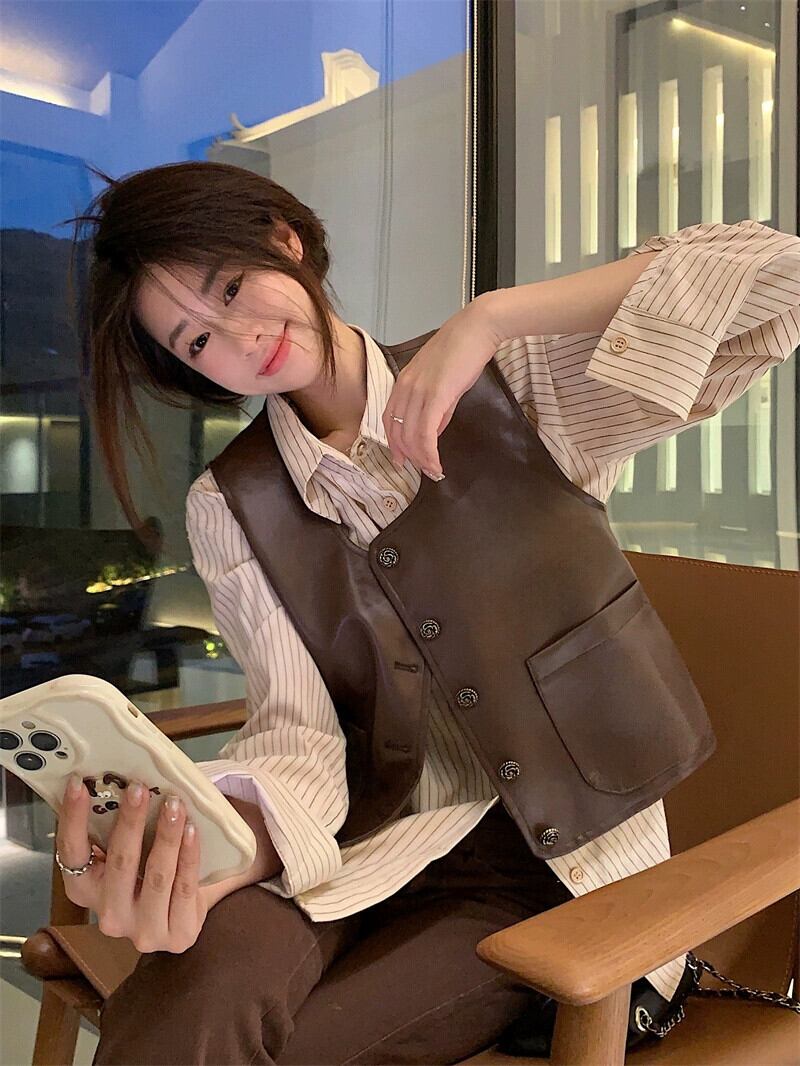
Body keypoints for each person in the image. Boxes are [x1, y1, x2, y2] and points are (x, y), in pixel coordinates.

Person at [55, 160, 799, 1065]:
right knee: (194, 992)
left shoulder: (515, 380)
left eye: (234, 287)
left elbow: (777, 276)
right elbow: (298, 731)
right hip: (355, 844)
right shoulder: (230, 503)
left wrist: (491, 317)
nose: (241, 337)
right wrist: (228, 850)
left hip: (550, 864)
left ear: (285, 240)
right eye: (198, 340)